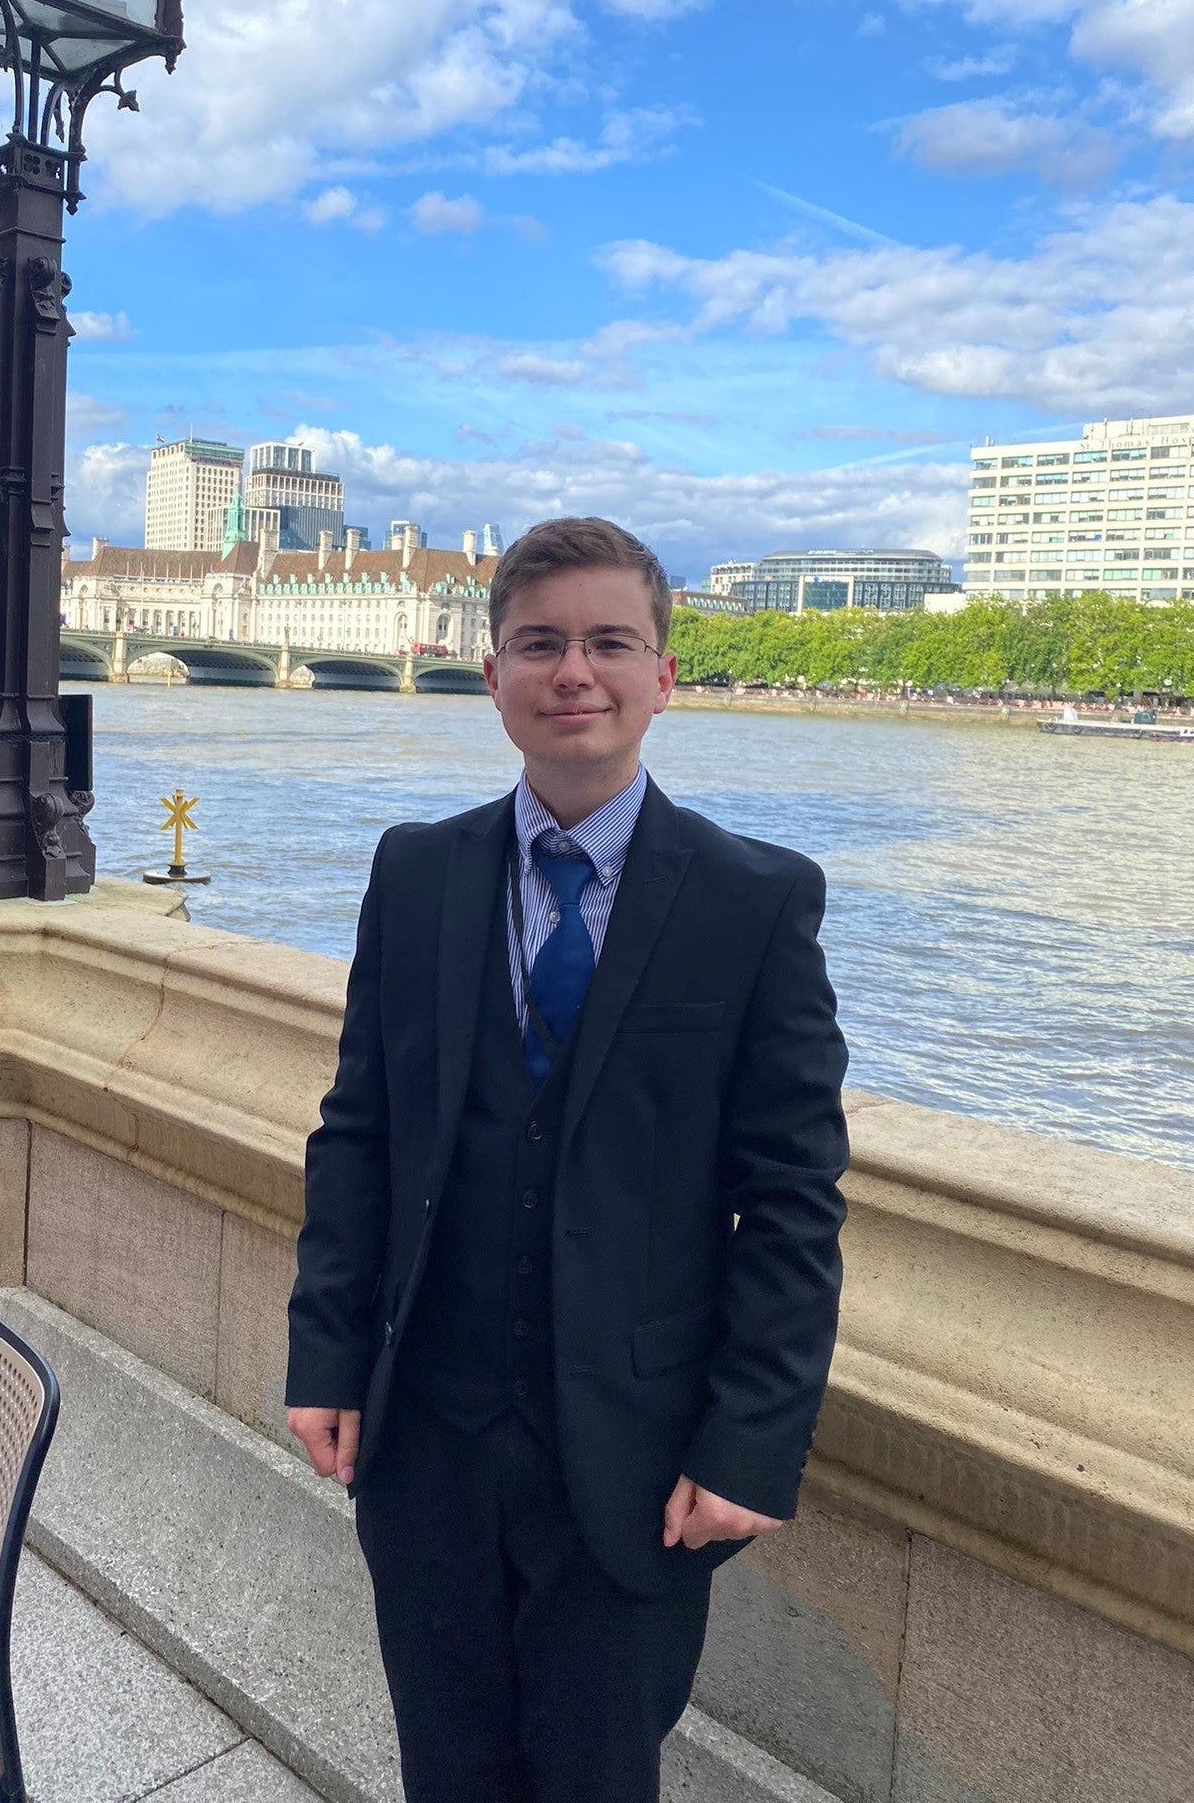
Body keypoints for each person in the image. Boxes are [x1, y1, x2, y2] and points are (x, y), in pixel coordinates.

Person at [286, 516, 849, 1803]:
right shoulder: (416, 871)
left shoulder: (752, 898)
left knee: (597, 1774)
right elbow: (359, 1129)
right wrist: (328, 1350)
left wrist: (752, 1442)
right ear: (490, 674)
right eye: (540, 643)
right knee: (449, 1764)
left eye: (609, 641)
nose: (573, 671)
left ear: (664, 674)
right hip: (426, 1431)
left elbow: (793, 1198)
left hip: (637, 1456)